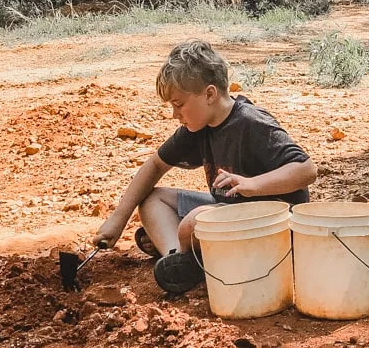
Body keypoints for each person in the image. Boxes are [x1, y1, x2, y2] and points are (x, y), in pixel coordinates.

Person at [94, 40, 317, 295]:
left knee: (192, 223)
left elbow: (306, 170)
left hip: (272, 225)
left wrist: (251, 184)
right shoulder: (198, 128)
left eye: (179, 104)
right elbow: (154, 166)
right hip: (229, 213)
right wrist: (118, 219)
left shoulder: (250, 122)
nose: (174, 114)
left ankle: (191, 253)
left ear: (209, 95)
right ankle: (178, 260)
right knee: (152, 199)